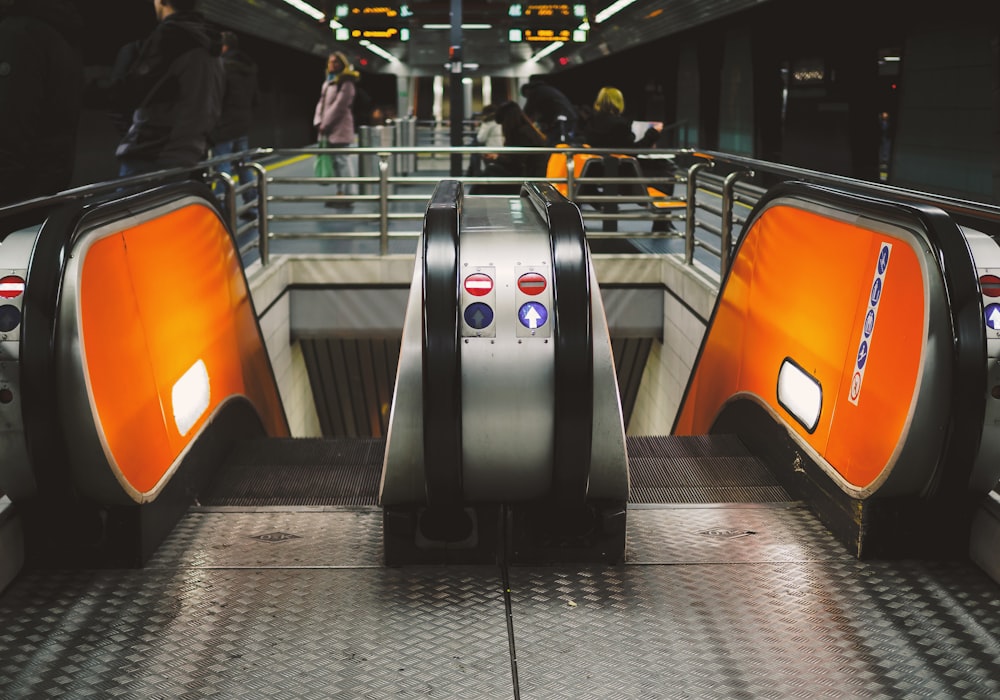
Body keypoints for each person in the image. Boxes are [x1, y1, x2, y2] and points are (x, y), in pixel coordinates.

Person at [95, 0, 224, 178]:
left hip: (155, 154)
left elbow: (134, 90)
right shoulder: (210, 42)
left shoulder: (171, 35)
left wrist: (91, 91)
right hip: (192, 151)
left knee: (131, 205)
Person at [0, 0, 84, 205]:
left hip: (13, 201)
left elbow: (8, 129)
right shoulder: (57, 35)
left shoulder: (18, 34)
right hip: (40, 194)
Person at [210, 31, 259, 219]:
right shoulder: (250, 68)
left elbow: (216, 97)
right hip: (243, 123)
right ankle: (252, 205)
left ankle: (219, 208)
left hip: (224, 125)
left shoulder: (222, 66)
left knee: (222, 167)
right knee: (243, 166)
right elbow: (256, 99)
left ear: (224, 47)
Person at [470, 101, 547, 195]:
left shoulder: (520, 134)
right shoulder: (526, 130)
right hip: (530, 174)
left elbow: (516, 162)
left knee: (488, 174)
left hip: (525, 177)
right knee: (489, 173)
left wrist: (497, 157)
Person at [313, 51, 359, 207]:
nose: (333, 65)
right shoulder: (328, 82)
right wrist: (318, 121)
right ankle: (341, 194)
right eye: (331, 62)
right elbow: (321, 103)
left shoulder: (346, 83)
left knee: (343, 162)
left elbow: (339, 106)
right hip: (328, 129)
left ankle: (349, 195)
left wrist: (325, 124)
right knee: (336, 165)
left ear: (342, 64)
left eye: (336, 62)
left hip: (339, 129)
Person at [581, 86, 661, 149]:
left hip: (594, 168)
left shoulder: (590, 122)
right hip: (618, 168)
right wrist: (652, 134)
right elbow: (631, 151)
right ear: (619, 102)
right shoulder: (620, 125)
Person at [520, 77, 578, 146]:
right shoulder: (544, 89)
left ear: (527, 90)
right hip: (567, 117)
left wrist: (521, 124)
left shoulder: (536, 92)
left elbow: (528, 112)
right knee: (561, 141)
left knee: (558, 143)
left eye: (526, 95)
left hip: (563, 120)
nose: (527, 97)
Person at [466, 103, 504, 177]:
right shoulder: (503, 121)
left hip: (491, 151)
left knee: (475, 150)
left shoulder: (488, 122)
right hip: (503, 150)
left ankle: (474, 174)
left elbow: (481, 139)